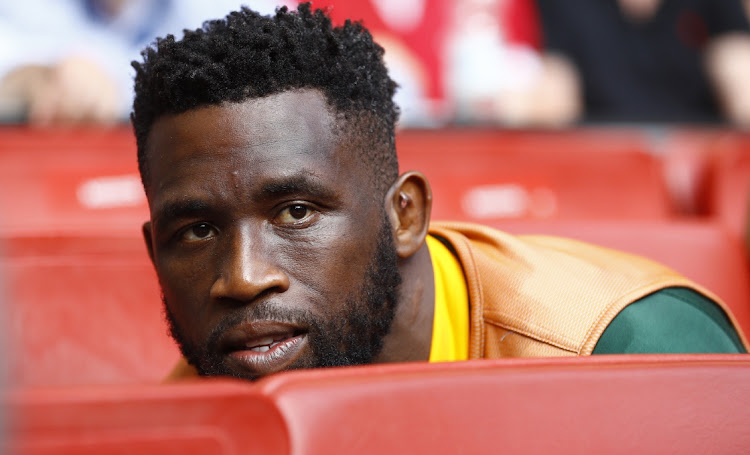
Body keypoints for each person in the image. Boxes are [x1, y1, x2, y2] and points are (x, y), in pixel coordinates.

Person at [131, 3, 748, 382]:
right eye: (197, 231)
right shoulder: (203, 404)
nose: (242, 279)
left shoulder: (625, 349)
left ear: (405, 215)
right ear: (153, 249)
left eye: (295, 212)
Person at [534, 0, 750, 127]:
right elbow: (554, 82)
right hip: (602, 161)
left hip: (699, 162)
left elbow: (740, 65)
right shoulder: (563, 6)